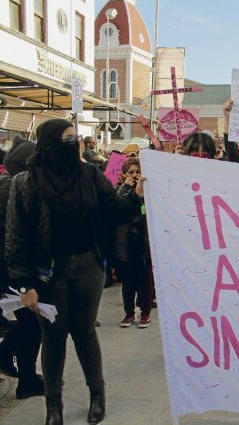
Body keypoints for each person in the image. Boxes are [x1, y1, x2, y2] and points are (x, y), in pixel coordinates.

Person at [5, 119, 143, 425]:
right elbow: (17, 236)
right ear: (49, 143)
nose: (74, 145)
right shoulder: (26, 182)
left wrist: (135, 195)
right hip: (47, 273)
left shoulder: (89, 174)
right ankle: (53, 405)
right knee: (52, 337)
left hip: (88, 266)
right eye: (67, 140)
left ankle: (97, 395)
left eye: (75, 139)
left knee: (84, 332)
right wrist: (24, 284)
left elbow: (113, 209)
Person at [0, 138, 43, 399]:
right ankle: (24, 375)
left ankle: (26, 375)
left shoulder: (6, 186)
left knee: (30, 322)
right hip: (15, 270)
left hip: (8, 270)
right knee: (33, 323)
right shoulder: (18, 190)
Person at [113, 158, 153, 329]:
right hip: (126, 242)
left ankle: (145, 312)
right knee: (128, 282)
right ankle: (129, 312)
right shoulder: (119, 190)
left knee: (145, 281)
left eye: (137, 172)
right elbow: (114, 206)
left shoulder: (148, 190)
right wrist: (128, 188)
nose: (135, 175)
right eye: (131, 172)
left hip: (143, 242)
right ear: (124, 175)